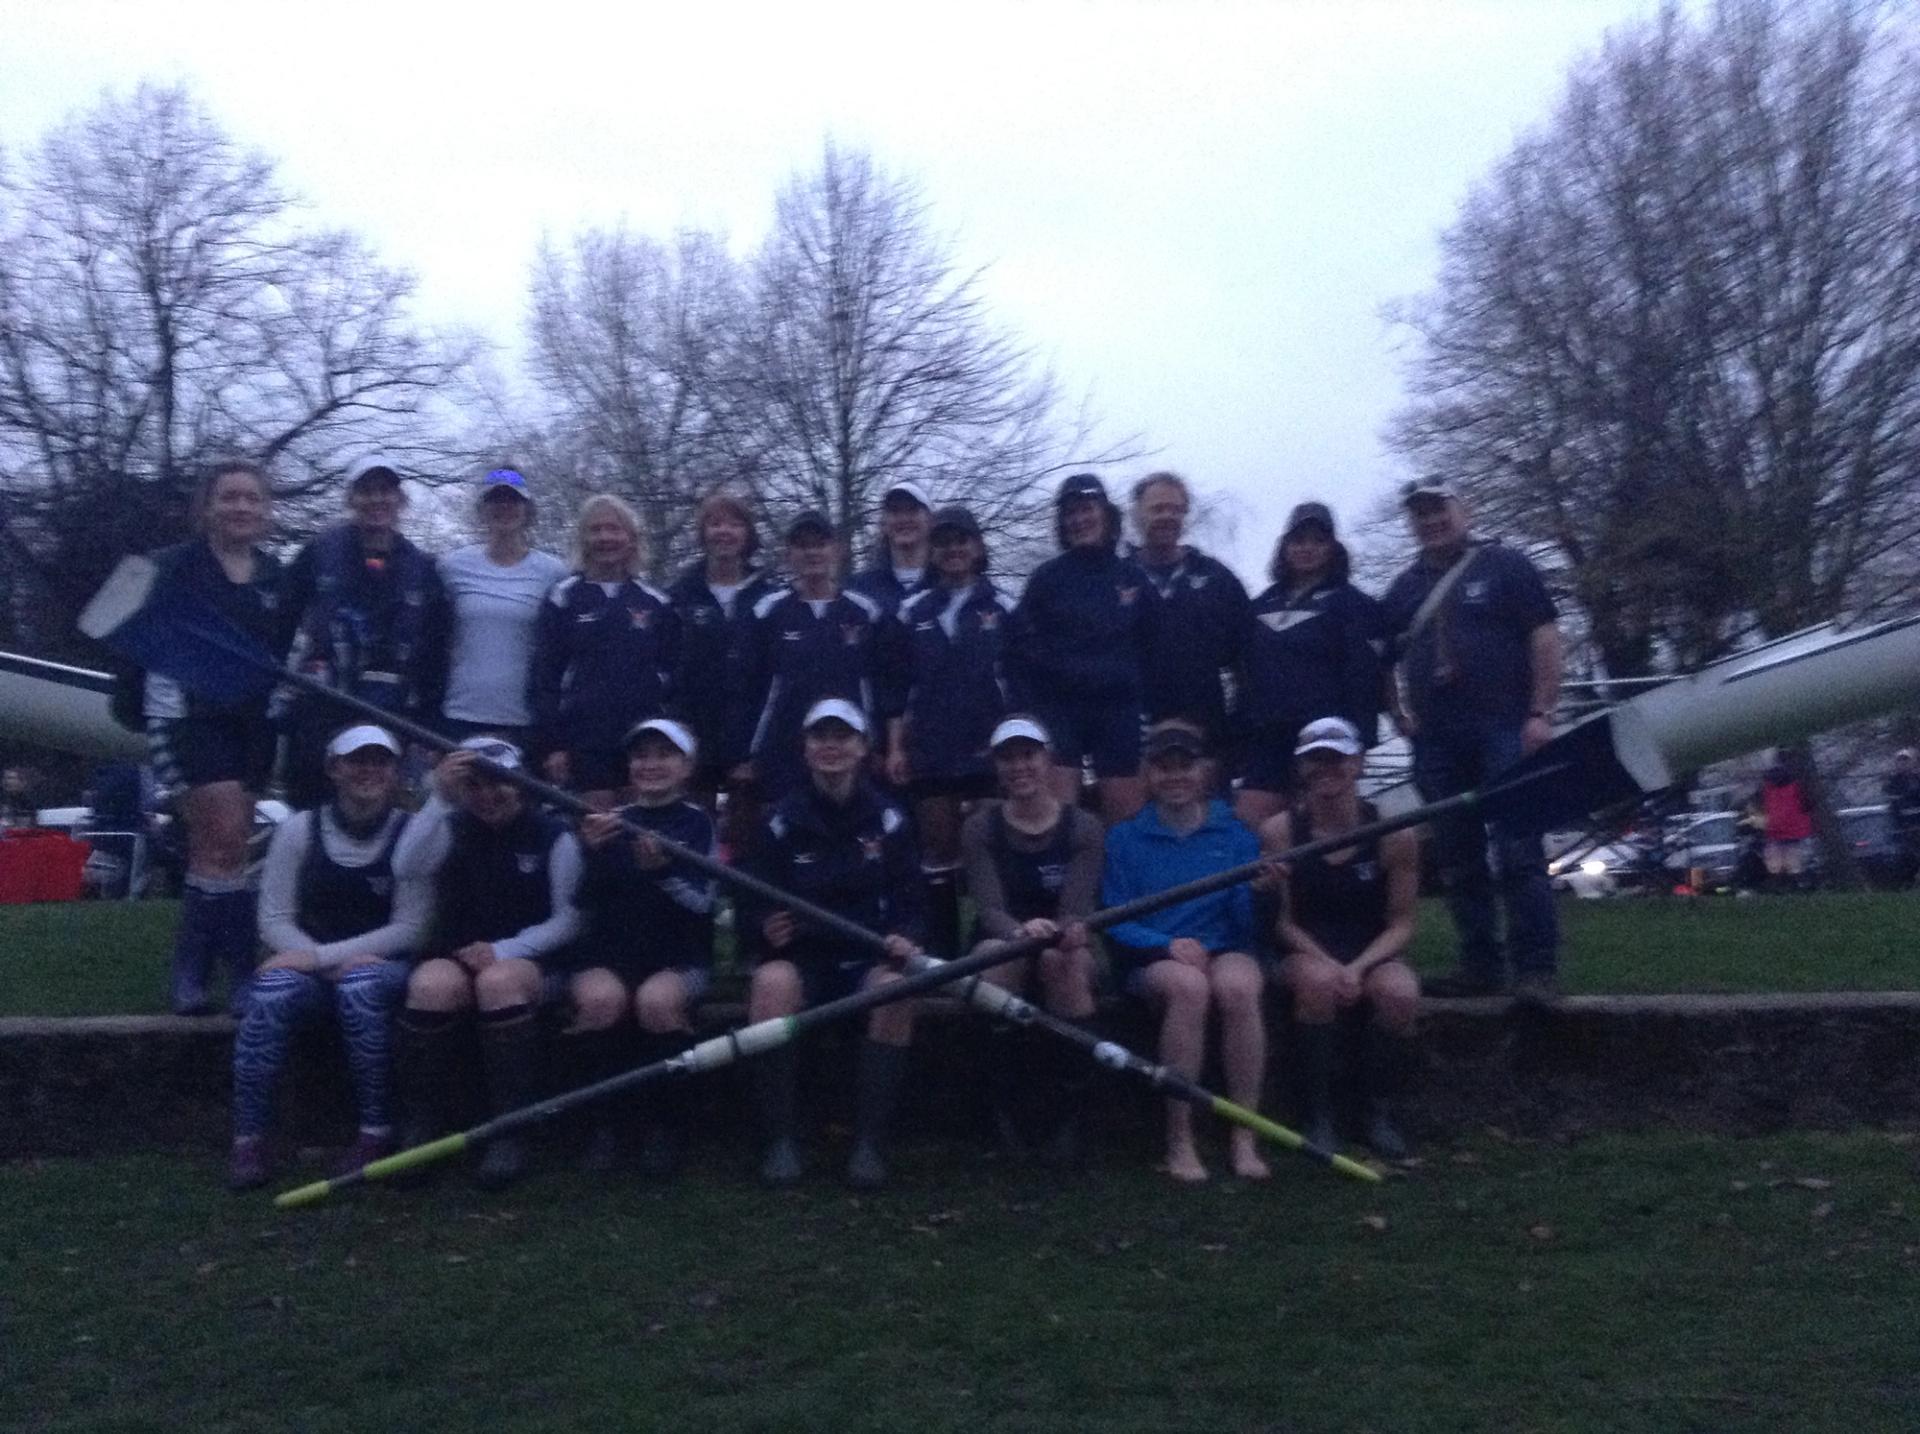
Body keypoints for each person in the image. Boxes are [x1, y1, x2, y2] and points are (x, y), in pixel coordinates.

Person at [1380, 479, 1562, 1004]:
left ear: (1465, 509)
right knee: (1458, 857)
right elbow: (1383, 659)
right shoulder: (1402, 589)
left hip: (1505, 726)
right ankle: (1481, 965)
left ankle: (1536, 970)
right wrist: (1397, 712)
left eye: (1439, 509)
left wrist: (1540, 712)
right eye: (1419, 514)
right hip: (1436, 739)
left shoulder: (1506, 566)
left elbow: (1545, 636)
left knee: (1519, 849)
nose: (1431, 520)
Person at [226, 726, 428, 1190]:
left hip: (382, 964)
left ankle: (375, 1132)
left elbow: (412, 928)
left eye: (381, 761)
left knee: (360, 988)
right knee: (270, 996)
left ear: (395, 772)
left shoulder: (412, 832)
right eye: (358, 760)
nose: (369, 771)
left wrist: (321, 957)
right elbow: (274, 917)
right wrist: (316, 961)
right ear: (334, 768)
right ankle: (248, 1138)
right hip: (309, 964)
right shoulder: (299, 829)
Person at [740, 700, 924, 1189]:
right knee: (770, 983)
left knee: (896, 991)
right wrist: (764, 926)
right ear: (805, 749)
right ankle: (779, 1139)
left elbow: (912, 899)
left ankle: (869, 1143)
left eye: (843, 737)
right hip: (804, 960)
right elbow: (750, 899)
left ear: (864, 747)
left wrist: (907, 937)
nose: (831, 747)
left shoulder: (890, 819)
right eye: (820, 736)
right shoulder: (780, 820)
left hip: (868, 958)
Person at [394, 737, 584, 1189]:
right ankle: (423, 1126)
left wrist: (505, 950)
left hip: (533, 959)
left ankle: (509, 1129)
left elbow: (569, 922)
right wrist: (438, 798)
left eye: (500, 783)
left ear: (521, 784)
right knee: (429, 986)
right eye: (474, 785)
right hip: (458, 952)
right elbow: (406, 866)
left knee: (498, 983)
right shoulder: (450, 825)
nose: (488, 795)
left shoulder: (554, 836)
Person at [141, 460, 292, 1016]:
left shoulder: (275, 577)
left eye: (253, 499)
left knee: (221, 848)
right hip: (188, 718)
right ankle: (238, 971)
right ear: (208, 507)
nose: (241, 508)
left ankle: (197, 967)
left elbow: (287, 651)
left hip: (252, 723)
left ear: (266, 510)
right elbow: (132, 634)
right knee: (224, 836)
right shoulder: (172, 567)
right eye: (229, 497)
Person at [1101, 720, 1271, 1183]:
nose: (1175, 777)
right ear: (1147, 775)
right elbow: (1115, 919)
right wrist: (1165, 945)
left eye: (1185, 766)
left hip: (1225, 948)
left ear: (1205, 772)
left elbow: (1245, 926)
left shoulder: (1235, 834)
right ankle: (1180, 1138)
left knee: (1238, 986)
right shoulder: (1124, 839)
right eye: (1163, 767)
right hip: (1156, 959)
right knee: (1189, 987)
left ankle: (1244, 1134)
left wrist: (1258, 895)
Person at [1261, 717, 1421, 1160]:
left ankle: (1375, 1111)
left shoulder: (1395, 834)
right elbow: (1283, 923)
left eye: (1337, 758)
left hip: (1371, 948)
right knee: (1317, 985)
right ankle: (1319, 1113)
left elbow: (1402, 922)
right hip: (1305, 948)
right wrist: (1332, 966)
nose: (1326, 769)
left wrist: (1359, 967)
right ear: (1300, 767)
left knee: (1399, 992)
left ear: (1358, 763)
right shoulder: (1279, 833)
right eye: (1316, 759)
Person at [574, 718, 717, 1177]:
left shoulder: (699, 824)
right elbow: (583, 905)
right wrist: (591, 855)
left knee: (657, 1003)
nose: (651, 764)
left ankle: (665, 1128)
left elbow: (704, 904)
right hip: (613, 955)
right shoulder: (613, 823)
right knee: (599, 1001)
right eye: (641, 755)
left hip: (679, 958)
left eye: (664, 754)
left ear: (687, 765)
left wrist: (663, 873)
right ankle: (605, 1128)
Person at [959, 717, 1103, 1161]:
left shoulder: (1083, 827)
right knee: (996, 963)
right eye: (1008, 758)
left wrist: (1059, 932)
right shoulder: (981, 827)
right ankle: (1003, 1114)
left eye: (1028, 755)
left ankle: (1071, 1118)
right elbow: (989, 908)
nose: (1019, 766)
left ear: (1047, 759)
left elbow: (1076, 910)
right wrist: (1021, 933)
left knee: (1066, 966)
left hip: (1066, 938)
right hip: (1003, 935)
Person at [883, 505, 1020, 958]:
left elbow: (1020, 684)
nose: (953, 550)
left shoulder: (1004, 607)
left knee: (989, 846)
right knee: (938, 851)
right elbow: (898, 686)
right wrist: (896, 746)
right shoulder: (911, 611)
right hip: (932, 748)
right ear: (932, 551)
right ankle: (941, 951)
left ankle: (992, 940)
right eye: (943, 542)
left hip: (988, 749)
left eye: (961, 540)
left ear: (977, 547)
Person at [279, 457, 448, 809]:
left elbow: (435, 653)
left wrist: (429, 721)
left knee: (381, 814)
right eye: (366, 491)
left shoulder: (423, 568)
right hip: (321, 707)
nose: (377, 501)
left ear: (400, 500)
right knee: (311, 810)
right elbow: (279, 622)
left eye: (385, 491)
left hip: (390, 713)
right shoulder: (317, 553)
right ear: (351, 499)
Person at [1008, 473, 1155, 824]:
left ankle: (1123, 879)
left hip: (1119, 711)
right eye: (1070, 513)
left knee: (1126, 819)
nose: (1079, 519)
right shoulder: (1045, 580)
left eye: (1087, 509)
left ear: (1106, 514)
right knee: (1061, 819)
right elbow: (1017, 650)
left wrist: (1147, 703)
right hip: (1060, 711)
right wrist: (1026, 707)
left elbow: (1155, 648)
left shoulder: (1133, 578)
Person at [1237, 502, 1385, 827]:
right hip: (1268, 738)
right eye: (1299, 540)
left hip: (1326, 738)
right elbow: (1244, 673)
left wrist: (1361, 741)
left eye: (1318, 541)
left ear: (1332, 547)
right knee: (1252, 824)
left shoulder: (1353, 604)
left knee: (1322, 828)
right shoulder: (1261, 605)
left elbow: (1365, 677)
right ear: (1285, 546)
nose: (1307, 548)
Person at [531, 494, 681, 809]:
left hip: (641, 740)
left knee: (639, 827)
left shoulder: (656, 602)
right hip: (583, 740)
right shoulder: (564, 598)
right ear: (583, 538)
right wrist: (553, 744)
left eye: (614, 529)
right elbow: (544, 677)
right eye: (595, 530)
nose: (605, 538)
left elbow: (673, 677)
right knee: (597, 827)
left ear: (631, 539)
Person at [735, 511, 887, 800]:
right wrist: (744, 753)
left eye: (820, 544)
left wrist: (878, 745)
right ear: (789, 554)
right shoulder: (767, 612)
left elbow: (882, 684)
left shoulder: (866, 612)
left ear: (837, 550)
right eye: (803, 545)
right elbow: (746, 687)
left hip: (850, 751)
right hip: (782, 749)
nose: (812, 552)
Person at [665, 490, 776, 834]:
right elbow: (666, 670)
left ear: (748, 534)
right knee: (692, 837)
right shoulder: (679, 596)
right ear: (702, 533)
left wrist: (757, 750)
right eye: (714, 523)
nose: (723, 531)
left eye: (734, 523)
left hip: (749, 745)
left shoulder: (770, 597)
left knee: (745, 845)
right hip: (692, 742)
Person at [436, 468, 569, 745]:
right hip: (459, 714)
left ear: (528, 510)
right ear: (482, 510)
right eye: (495, 500)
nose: (504, 507)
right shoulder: (451, 566)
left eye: (513, 500)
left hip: (524, 719)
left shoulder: (554, 571)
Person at [1129, 472, 1251, 747]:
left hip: (1205, 735)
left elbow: (1248, 658)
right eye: (1158, 508)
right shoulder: (1116, 577)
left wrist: (1239, 722)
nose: (1167, 516)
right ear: (1137, 514)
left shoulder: (1217, 578)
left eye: (1175, 509)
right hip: (1133, 740)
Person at [848, 479, 935, 618]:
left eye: (912, 510)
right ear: (883, 524)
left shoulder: (946, 583)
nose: (904, 519)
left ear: (930, 520)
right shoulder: (859, 590)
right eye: (895, 511)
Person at [1758, 756, 1815, 892]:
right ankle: (1796, 885)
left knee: (1776, 861)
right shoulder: (1796, 787)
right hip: (1793, 830)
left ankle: (1780, 885)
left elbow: (1764, 807)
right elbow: (1807, 805)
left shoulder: (1769, 790)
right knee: (1793, 860)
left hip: (1776, 830)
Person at [1883, 748, 1920, 885]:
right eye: (1900, 761)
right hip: (1904, 828)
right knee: (1909, 857)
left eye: (1907, 761)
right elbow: (1893, 802)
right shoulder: (1893, 782)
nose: (1903, 764)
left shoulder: (1918, 779)